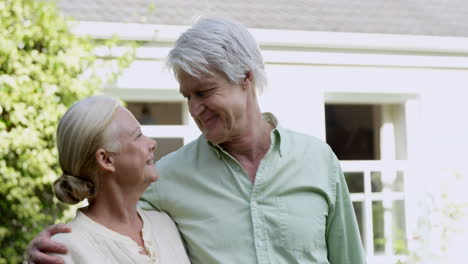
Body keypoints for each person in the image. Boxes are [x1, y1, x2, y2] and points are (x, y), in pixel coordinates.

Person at [28, 18, 365, 264]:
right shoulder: (166, 178)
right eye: (187, 96)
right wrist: (42, 252)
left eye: (204, 92)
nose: (195, 109)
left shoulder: (318, 160)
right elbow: (107, 223)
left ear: (245, 78)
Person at [40, 96, 190, 263]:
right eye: (138, 136)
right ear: (106, 160)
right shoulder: (63, 250)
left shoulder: (164, 225)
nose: (152, 143)